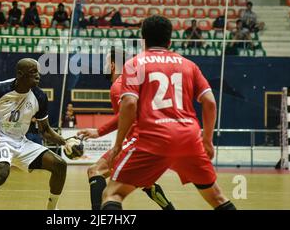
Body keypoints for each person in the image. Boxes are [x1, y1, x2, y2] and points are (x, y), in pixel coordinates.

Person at [101, 15, 236, 210]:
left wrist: (118, 144)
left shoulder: (134, 64)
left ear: (143, 40)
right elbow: (210, 103)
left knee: (113, 193)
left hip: (153, 138)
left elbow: (129, 104)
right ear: (170, 40)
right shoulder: (189, 65)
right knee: (217, 197)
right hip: (189, 138)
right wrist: (207, 139)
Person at [77, 48, 175, 210]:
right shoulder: (134, 82)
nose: (105, 66)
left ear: (114, 65)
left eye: (107, 63)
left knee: (96, 171)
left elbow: (128, 112)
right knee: (144, 181)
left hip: (141, 140)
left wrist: (98, 131)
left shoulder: (119, 86)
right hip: (158, 138)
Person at [0, 58, 71, 210]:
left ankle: (52, 209)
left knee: (60, 165)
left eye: (38, 72)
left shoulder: (40, 97)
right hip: (0, 138)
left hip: (21, 142)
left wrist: (66, 142)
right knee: (1, 174)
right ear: (20, 74)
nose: (38, 76)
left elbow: (45, 130)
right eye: (33, 72)